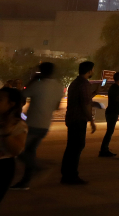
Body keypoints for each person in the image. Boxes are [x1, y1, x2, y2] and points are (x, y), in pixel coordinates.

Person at [12, 61, 61, 190]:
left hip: (33, 123)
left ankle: (39, 168)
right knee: (30, 152)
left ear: (41, 71)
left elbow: (21, 95)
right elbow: (57, 106)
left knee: (16, 149)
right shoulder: (58, 86)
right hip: (45, 125)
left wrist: (32, 81)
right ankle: (25, 182)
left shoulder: (38, 85)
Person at [61, 60, 97, 185]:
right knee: (77, 147)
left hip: (71, 118)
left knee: (71, 147)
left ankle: (66, 174)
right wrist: (91, 120)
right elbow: (85, 104)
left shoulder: (75, 83)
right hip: (79, 119)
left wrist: (92, 94)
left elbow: (81, 99)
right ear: (89, 70)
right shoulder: (84, 84)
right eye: (93, 69)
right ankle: (71, 175)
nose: (93, 71)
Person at [1, 86, 29, 203]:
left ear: (11, 104)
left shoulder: (17, 125)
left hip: (3, 166)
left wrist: (6, 133)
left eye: (0, 99)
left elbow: (16, 150)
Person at [98, 71, 119, 157]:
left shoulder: (115, 87)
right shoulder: (116, 88)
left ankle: (104, 149)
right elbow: (118, 99)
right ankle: (104, 150)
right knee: (109, 131)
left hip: (112, 111)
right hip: (112, 112)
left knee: (110, 131)